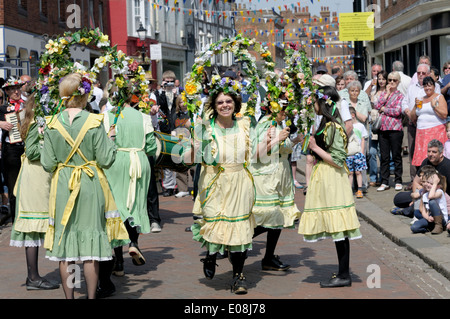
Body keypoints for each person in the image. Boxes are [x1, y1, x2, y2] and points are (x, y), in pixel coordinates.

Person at [41, 73, 128, 299]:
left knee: (66, 250)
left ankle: (69, 297)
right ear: (85, 94)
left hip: (63, 185)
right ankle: (91, 297)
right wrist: (112, 142)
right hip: (89, 183)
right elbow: (106, 160)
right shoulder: (94, 121)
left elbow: (48, 163)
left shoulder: (51, 123)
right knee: (91, 250)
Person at [186, 76, 255, 294]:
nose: (225, 105)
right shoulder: (204, 128)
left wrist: (278, 140)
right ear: (213, 107)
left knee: (238, 232)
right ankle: (211, 255)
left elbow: (255, 154)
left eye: (228, 101)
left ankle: (238, 276)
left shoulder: (244, 125)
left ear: (235, 103)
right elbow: (191, 159)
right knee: (215, 225)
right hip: (214, 183)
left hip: (239, 183)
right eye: (220, 102)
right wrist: (193, 146)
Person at [298, 86, 361, 288]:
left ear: (323, 104)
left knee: (339, 228)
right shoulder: (326, 125)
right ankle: (343, 272)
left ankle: (344, 274)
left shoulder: (333, 127)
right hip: (326, 177)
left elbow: (338, 159)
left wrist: (315, 147)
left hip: (333, 178)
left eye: (316, 102)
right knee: (337, 229)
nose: (313, 105)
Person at [102, 85, 157, 282]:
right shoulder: (142, 117)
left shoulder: (107, 116)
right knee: (135, 204)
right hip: (139, 162)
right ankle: (133, 242)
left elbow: (103, 143)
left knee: (116, 208)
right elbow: (151, 146)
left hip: (117, 161)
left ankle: (119, 262)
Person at [9, 93, 59, 290]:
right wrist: (51, 150)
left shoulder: (37, 119)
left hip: (40, 177)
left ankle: (34, 276)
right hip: (34, 178)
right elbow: (31, 151)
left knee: (38, 227)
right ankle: (33, 277)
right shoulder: (34, 121)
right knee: (33, 227)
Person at [249, 95, 301, 272]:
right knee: (266, 216)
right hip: (267, 176)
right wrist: (278, 139)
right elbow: (257, 153)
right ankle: (238, 241)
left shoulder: (279, 124)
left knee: (278, 218)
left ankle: (268, 257)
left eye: (287, 107)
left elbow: (283, 149)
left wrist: (294, 141)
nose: (285, 112)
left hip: (281, 174)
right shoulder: (266, 124)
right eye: (282, 108)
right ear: (271, 108)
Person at [402, 63, 440, 190]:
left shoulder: (435, 87)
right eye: (419, 73)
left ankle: (431, 180)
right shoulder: (412, 87)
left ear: (428, 74)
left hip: (430, 127)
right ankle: (415, 181)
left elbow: (439, 107)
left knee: (429, 153)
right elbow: (404, 101)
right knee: (414, 154)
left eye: (424, 73)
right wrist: (408, 111)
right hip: (414, 124)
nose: (421, 75)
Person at [392, 139, 450, 217]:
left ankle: (407, 211)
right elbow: (416, 181)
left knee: (425, 206)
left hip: (438, 197)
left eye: (434, 152)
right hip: (423, 193)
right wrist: (414, 199)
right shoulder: (426, 162)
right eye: (429, 151)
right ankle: (414, 207)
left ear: (441, 153)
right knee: (398, 198)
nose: (430, 154)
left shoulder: (447, 166)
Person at [0, 77, 26, 224]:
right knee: (13, 184)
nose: (16, 91)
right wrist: (1, 123)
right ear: (7, 91)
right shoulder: (3, 108)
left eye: (18, 88)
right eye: (13, 89)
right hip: (11, 149)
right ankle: (16, 217)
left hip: (27, 148)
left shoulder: (27, 105)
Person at [374, 71, 404, 192]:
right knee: (384, 157)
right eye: (390, 80)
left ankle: (398, 180)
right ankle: (384, 181)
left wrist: (384, 109)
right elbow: (376, 105)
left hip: (395, 129)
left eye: (394, 80)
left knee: (396, 155)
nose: (391, 82)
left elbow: (397, 111)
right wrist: (386, 95)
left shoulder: (400, 95)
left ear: (398, 82)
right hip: (383, 129)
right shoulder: (383, 94)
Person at [409, 76, 447, 167]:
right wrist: (415, 106)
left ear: (434, 87)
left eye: (430, 86)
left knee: (435, 155)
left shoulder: (439, 97)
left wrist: (434, 107)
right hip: (421, 132)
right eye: (425, 86)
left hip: (436, 131)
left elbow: (444, 114)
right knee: (423, 158)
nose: (427, 88)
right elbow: (412, 117)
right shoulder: (421, 99)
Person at [155, 70, 179, 197]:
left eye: (171, 81)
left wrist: (176, 95)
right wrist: (164, 91)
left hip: (176, 127)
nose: (169, 83)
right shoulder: (159, 93)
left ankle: (178, 185)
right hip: (164, 128)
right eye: (166, 81)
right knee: (166, 158)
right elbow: (160, 105)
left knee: (177, 157)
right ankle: (168, 186)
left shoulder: (179, 93)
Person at [410, 171, 448, 235]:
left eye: (431, 183)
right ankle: (430, 228)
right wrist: (427, 217)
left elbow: (431, 196)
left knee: (432, 202)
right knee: (414, 227)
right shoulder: (425, 195)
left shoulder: (439, 192)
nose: (427, 184)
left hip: (442, 219)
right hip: (431, 219)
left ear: (438, 186)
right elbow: (424, 211)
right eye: (427, 182)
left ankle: (439, 226)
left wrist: (435, 183)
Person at [367, 70, 388, 186]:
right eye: (379, 78)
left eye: (383, 79)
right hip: (373, 123)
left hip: (384, 122)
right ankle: (373, 177)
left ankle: (382, 177)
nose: (381, 81)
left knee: (382, 152)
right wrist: (371, 85)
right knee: (371, 151)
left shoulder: (388, 92)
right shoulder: (374, 91)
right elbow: (364, 97)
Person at [173, 95, 194, 198]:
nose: (183, 104)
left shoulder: (193, 113)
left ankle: (197, 187)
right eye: (181, 102)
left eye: (185, 102)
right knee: (180, 166)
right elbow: (172, 128)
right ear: (178, 104)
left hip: (191, 142)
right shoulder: (175, 116)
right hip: (179, 143)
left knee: (194, 166)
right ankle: (183, 189)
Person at [346, 106, 368, 198]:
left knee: (358, 172)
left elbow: (363, 139)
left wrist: (362, 152)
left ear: (352, 115)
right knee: (350, 173)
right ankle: (348, 190)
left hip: (358, 152)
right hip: (349, 153)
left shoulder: (360, 126)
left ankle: (360, 189)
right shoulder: (346, 127)